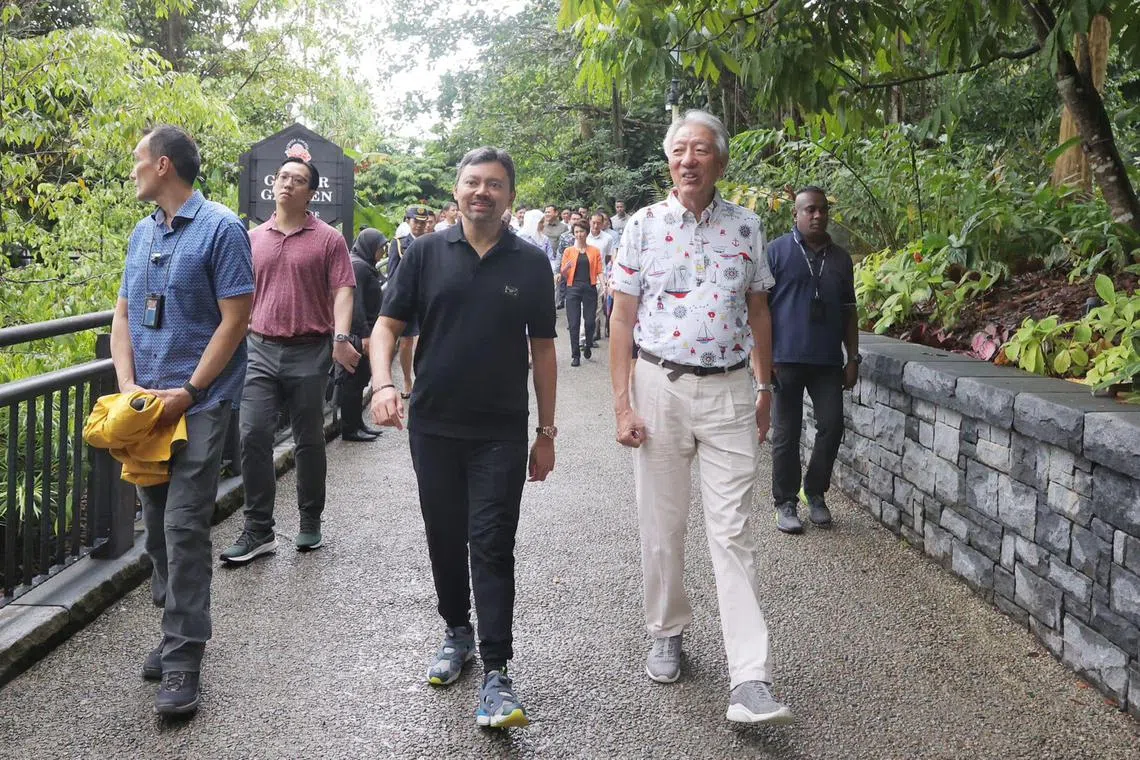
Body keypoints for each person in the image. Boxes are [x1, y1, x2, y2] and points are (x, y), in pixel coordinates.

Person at [608, 110, 793, 726]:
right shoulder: (642, 225)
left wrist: (765, 386)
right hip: (658, 385)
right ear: (669, 161)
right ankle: (666, 631)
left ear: (721, 161)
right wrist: (622, 403)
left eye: (702, 150)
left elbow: (759, 310)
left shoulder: (747, 225)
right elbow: (621, 319)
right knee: (662, 523)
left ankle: (750, 677)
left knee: (734, 530)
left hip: (732, 391)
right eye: (680, 150)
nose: (690, 159)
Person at [369, 146, 557, 730]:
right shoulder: (424, 254)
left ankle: (498, 673)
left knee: (493, 543)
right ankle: (457, 631)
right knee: (445, 537)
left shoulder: (530, 263)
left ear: (510, 196)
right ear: (458, 191)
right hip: (433, 426)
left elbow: (544, 350)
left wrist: (546, 432)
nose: (482, 192)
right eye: (473, 183)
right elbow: (386, 326)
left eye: (494, 184)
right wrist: (382, 383)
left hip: (500, 429)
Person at [111, 125, 254, 715]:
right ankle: (176, 626)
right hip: (148, 410)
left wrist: (189, 393)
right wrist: (128, 390)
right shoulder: (142, 235)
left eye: (139, 160)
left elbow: (235, 320)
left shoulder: (222, 229)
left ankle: (183, 657)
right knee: (155, 522)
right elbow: (123, 314)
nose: (134, 170)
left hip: (201, 404)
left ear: (164, 165)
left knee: (184, 526)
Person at [222, 155, 359, 563]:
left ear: (310, 193)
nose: (287, 184)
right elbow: (236, 296)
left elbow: (344, 291)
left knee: (309, 440)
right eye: (282, 177)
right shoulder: (252, 237)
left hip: (309, 350)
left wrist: (340, 337)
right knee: (252, 436)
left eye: (297, 180)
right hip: (259, 348)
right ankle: (258, 529)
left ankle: (309, 521)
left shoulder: (328, 239)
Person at [767, 186, 859, 533]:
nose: (817, 215)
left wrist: (853, 358)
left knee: (832, 425)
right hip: (785, 358)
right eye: (809, 210)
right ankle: (785, 502)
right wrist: (763, 359)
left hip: (826, 361)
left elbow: (850, 312)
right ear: (796, 214)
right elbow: (760, 310)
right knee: (786, 434)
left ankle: (814, 492)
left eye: (822, 209)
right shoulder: (776, 252)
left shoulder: (840, 259)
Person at [340, 227, 387, 442]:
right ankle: (350, 428)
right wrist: (365, 335)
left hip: (364, 330)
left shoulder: (363, 265)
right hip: (358, 334)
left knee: (359, 381)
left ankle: (357, 423)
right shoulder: (358, 267)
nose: (382, 253)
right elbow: (355, 304)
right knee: (353, 381)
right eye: (380, 248)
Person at [388, 205, 430, 399]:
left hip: (428, 300)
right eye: (416, 222)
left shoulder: (434, 243)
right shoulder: (398, 244)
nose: (420, 226)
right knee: (406, 342)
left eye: (423, 222)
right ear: (408, 221)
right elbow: (392, 275)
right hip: (409, 299)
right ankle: (407, 379)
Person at [561, 219, 603, 367]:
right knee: (574, 323)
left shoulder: (594, 251)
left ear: (587, 233)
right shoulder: (568, 251)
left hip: (589, 287)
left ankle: (588, 343)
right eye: (576, 232)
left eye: (581, 231)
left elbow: (599, 271)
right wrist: (565, 269)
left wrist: (604, 285)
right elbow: (563, 273)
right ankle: (575, 355)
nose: (579, 234)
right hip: (573, 288)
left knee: (590, 321)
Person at [586, 212, 616, 344]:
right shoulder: (584, 236)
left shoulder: (608, 238)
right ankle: (591, 330)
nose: (596, 225)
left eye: (599, 222)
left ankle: (594, 330)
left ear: (603, 223)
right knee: (586, 306)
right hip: (584, 274)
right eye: (593, 222)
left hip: (600, 275)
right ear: (589, 222)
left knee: (597, 305)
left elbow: (609, 257)